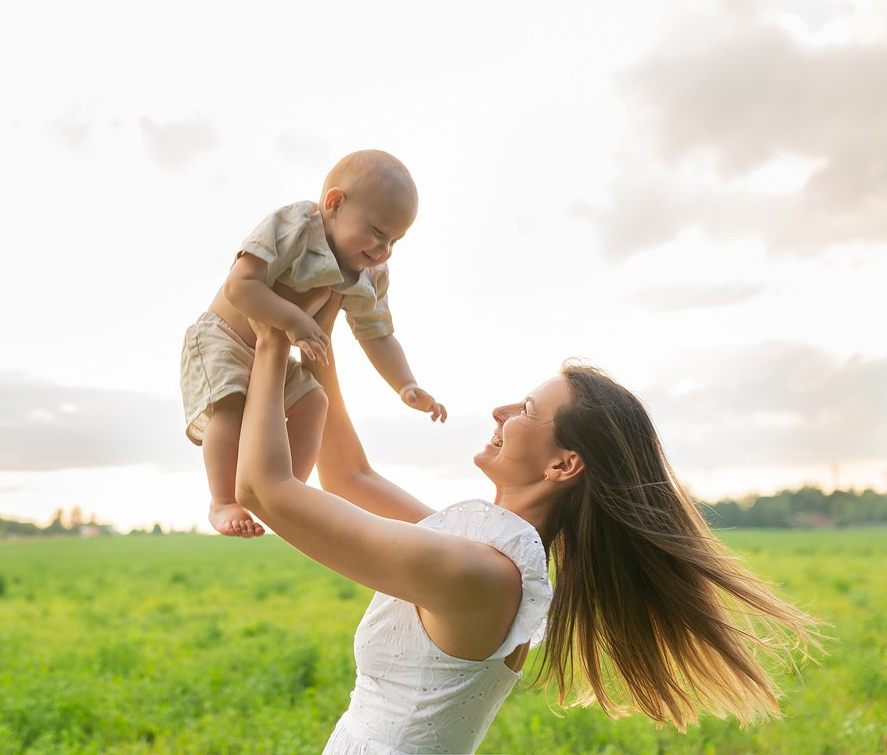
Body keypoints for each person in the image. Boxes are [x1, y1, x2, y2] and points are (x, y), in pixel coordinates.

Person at [235, 293, 820, 754]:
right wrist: (320, 348)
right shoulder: (482, 552)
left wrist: (268, 339)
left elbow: (265, 490)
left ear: (563, 464)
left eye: (528, 412)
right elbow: (350, 479)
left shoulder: (479, 574)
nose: (501, 412)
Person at [180, 150, 447, 538]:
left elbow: (377, 333)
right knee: (231, 406)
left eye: (395, 240)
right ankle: (222, 500)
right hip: (224, 337)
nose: (384, 249)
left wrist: (405, 383)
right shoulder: (296, 227)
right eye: (377, 231)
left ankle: (288, 495)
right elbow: (240, 286)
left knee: (314, 402)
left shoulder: (368, 271)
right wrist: (295, 320)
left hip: (269, 354)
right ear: (335, 203)